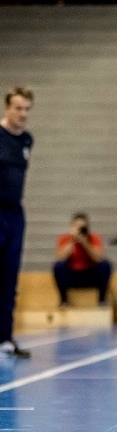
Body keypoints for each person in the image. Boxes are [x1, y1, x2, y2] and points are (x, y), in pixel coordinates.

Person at [0, 87, 33, 358]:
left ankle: (5, 339)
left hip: (15, 215)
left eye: (27, 109)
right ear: (7, 108)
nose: (23, 114)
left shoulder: (26, 140)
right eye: (18, 108)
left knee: (9, 278)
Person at [53, 212, 113, 307]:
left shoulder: (94, 238)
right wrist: (72, 240)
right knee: (58, 266)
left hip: (90, 275)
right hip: (72, 275)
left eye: (82, 227)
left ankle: (102, 300)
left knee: (105, 265)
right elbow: (60, 258)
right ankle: (64, 300)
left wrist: (85, 242)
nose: (80, 230)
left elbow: (98, 258)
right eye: (77, 227)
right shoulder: (65, 239)